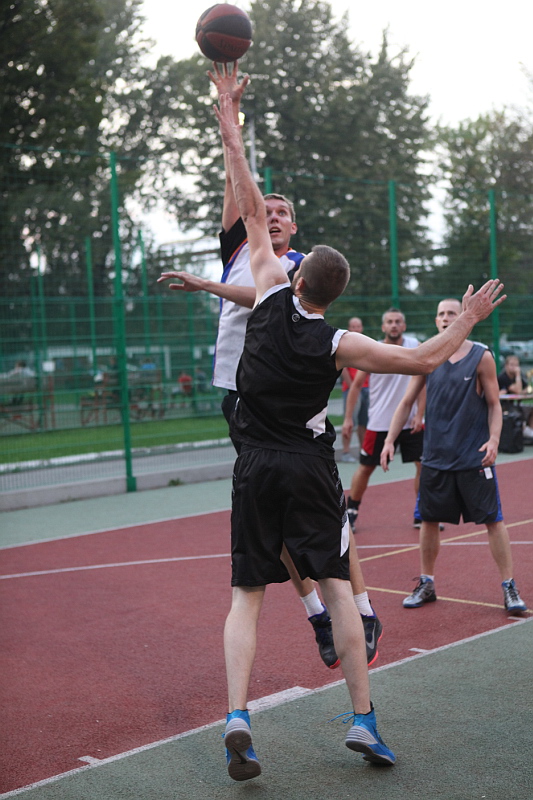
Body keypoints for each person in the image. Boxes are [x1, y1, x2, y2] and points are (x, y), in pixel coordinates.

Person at [212, 88, 505, 781]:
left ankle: (237, 716)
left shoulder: (265, 290)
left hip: (254, 462)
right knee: (339, 586)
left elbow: (248, 201)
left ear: (295, 275)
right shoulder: (339, 342)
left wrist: (230, 120)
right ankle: (362, 718)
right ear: (332, 295)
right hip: (309, 468)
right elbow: (423, 359)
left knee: (246, 595)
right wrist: (466, 320)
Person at [158, 62, 381, 670]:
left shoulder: (300, 269)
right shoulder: (240, 246)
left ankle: (361, 609)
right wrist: (228, 115)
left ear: (295, 227)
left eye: (284, 212)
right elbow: (237, 184)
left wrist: (205, 284)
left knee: (326, 517)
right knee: (271, 521)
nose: (273, 216)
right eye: (269, 209)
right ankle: (318, 615)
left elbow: (261, 297)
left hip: (291, 409)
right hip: (239, 398)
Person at [380, 298, 527, 615]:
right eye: (441, 314)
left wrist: (494, 440)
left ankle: (509, 586)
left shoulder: (481, 356)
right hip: (435, 458)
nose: (446, 318)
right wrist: (390, 439)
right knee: (429, 520)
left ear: (464, 318)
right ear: (436, 322)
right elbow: (406, 402)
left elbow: (494, 405)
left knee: (493, 520)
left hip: (474, 458)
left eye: (452, 313)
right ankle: (427, 583)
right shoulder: (428, 356)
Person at [341, 309, 425, 532]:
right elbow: (356, 386)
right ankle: (351, 511)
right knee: (366, 467)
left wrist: (419, 414)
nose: (394, 325)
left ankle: (422, 511)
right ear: (383, 327)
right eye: (389, 322)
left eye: (398, 321)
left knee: (423, 466)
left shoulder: (414, 346)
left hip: (410, 422)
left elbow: (422, 380)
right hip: (379, 422)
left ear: (403, 326)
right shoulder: (373, 350)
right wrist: (348, 418)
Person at [339, 317, 370, 462]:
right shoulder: (346, 346)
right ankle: (346, 452)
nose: (356, 329)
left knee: (364, 422)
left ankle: (364, 451)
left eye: (358, 326)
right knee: (350, 420)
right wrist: (352, 387)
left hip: (366, 389)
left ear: (361, 328)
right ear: (349, 328)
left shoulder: (367, 344)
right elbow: (343, 368)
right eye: (353, 326)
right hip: (350, 389)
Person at [498, 354, 533, 438]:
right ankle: (525, 431)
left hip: (516, 404)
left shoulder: (519, 377)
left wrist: (523, 391)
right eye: (512, 365)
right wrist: (518, 375)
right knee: (517, 413)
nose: (515, 368)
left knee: (531, 408)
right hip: (504, 406)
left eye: (516, 365)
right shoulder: (503, 377)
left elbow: (527, 389)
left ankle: (530, 430)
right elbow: (518, 390)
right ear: (506, 366)